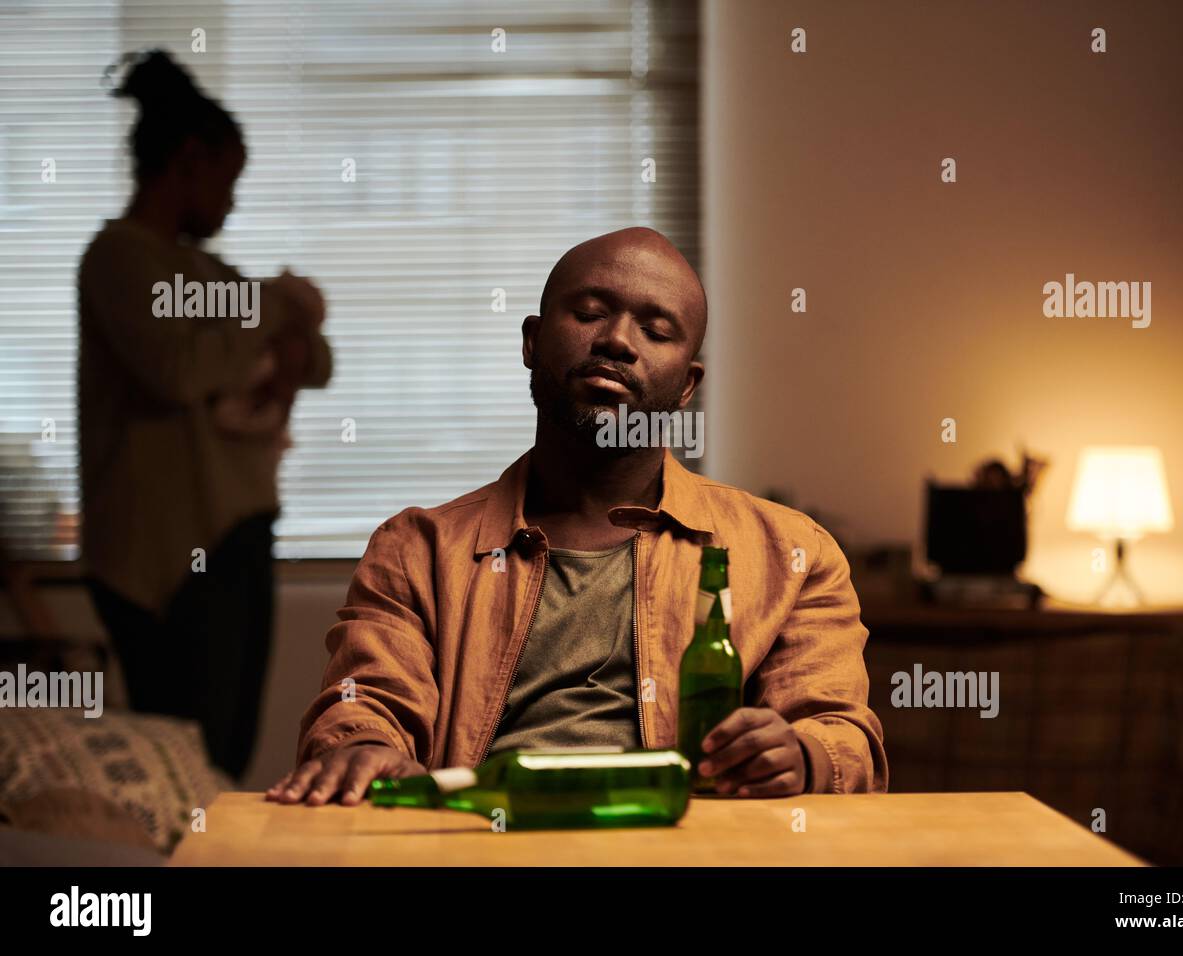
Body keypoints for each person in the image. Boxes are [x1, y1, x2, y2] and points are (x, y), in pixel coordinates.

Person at [271, 227, 886, 806]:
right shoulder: (415, 548)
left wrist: (803, 755)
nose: (618, 340)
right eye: (590, 313)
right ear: (532, 341)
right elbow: (368, 701)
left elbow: (843, 734)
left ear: (687, 384)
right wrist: (363, 749)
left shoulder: (792, 553)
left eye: (656, 330)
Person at [77, 49, 332, 779]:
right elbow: (180, 370)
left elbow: (315, 360)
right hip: (165, 556)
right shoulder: (119, 260)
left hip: (237, 536)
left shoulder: (209, 272)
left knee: (227, 761)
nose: (232, 203)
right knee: (186, 768)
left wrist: (274, 335)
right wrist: (276, 307)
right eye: (228, 180)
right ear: (188, 162)